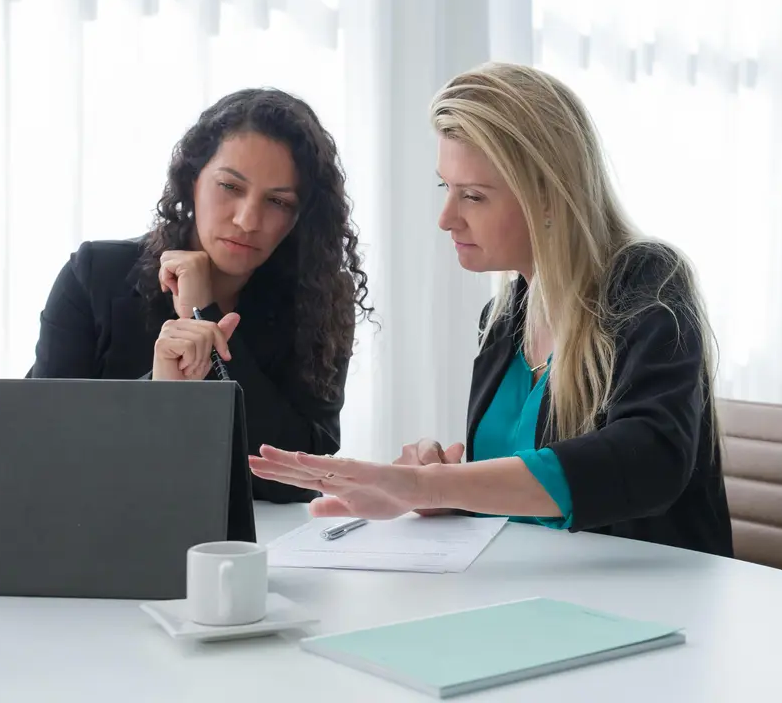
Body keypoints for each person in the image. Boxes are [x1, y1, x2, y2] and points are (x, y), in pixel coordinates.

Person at [250, 63, 733, 555]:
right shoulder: (504, 318)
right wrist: (445, 487)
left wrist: (431, 487)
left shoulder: (649, 282)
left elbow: (649, 459)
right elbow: (521, 509)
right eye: (446, 188)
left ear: (547, 197)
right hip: (540, 598)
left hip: (657, 602)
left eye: (474, 196)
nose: (446, 219)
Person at [28, 88, 373, 503]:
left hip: (254, 543)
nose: (247, 220)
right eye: (230, 186)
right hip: (98, 531)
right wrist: (160, 384)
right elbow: (41, 442)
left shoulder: (319, 297)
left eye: (278, 201)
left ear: (300, 217)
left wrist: (204, 315)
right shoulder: (95, 275)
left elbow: (301, 476)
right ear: (193, 180)